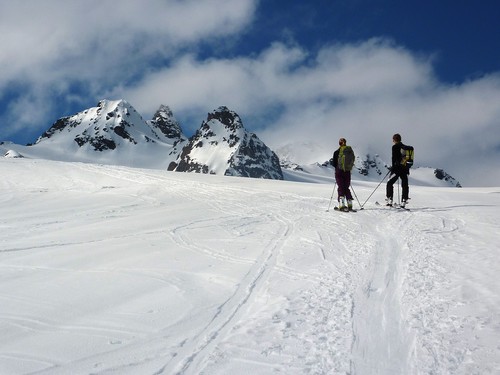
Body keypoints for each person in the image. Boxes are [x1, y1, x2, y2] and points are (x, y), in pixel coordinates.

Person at [386, 133, 409, 207]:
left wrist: (393, 168)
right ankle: (404, 201)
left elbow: (394, 158)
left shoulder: (395, 147)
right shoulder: (405, 147)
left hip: (397, 169)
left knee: (390, 182)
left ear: (394, 140)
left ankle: (390, 199)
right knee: (404, 184)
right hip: (405, 169)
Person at [332, 138, 355, 211]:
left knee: (341, 187)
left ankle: (342, 205)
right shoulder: (350, 151)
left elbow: (334, 163)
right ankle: (350, 204)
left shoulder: (337, 152)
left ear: (339, 143)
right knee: (346, 187)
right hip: (347, 171)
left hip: (339, 171)